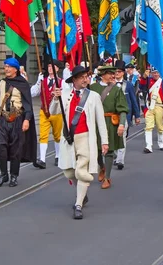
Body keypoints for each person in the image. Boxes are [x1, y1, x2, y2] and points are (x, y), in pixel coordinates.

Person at [51, 65, 109, 219]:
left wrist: (104, 141)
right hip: (68, 139)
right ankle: (82, 194)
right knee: (69, 171)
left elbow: (100, 121)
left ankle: (78, 205)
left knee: (81, 170)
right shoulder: (64, 94)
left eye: (87, 76)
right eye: (82, 77)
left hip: (85, 137)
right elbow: (53, 111)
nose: (86, 79)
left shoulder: (94, 96)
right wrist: (56, 99)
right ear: (74, 80)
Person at [0, 58, 37, 187]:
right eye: (5, 66)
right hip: (2, 119)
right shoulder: (1, 82)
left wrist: (27, 120)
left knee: (16, 150)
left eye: (9, 67)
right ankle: (3, 174)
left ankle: (13, 176)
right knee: (0, 146)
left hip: (17, 119)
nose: (6, 69)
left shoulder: (23, 84)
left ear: (15, 69)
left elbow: (28, 104)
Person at [89, 65, 128, 189]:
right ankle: (102, 167)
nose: (113, 76)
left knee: (109, 150)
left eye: (114, 73)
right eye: (110, 73)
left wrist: (121, 124)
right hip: (95, 122)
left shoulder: (117, 89)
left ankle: (107, 177)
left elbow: (122, 109)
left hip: (110, 122)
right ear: (103, 75)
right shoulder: (93, 88)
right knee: (96, 150)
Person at [30, 60, 65, 169]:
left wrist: (60, 94)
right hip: (44, 111)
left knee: (58, 135)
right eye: (49, 66)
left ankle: (58, 156)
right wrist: (38, 82)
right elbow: (32, 93)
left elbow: (67, 95)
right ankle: (42, 159)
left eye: (53, 67)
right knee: (43, 135)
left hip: (57, 111)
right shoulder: (42, 80)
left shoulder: (62, 82)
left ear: (57, 69)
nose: (50, 68)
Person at [114, 60, 141, 170]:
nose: (117, 73)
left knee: (123, 136)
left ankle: (120, 160)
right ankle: (116, 154)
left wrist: (137, 115)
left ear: (123, 72)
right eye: (115, 71)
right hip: (112, 115)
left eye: (119, 71)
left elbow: (134, 101)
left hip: (125, 115)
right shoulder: (110, 85)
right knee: (114, 137)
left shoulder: (128, 85)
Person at [143, 67, 163, 153]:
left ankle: (161, 142)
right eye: (154, 73)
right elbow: (142, 86)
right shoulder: (148, 80)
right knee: (148, 126)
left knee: (160, 126)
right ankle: (148, 145)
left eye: (157, 73)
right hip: (149, 107)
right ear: (151, 73)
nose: (156, 74)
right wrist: (144, 77)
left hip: (159, 106)